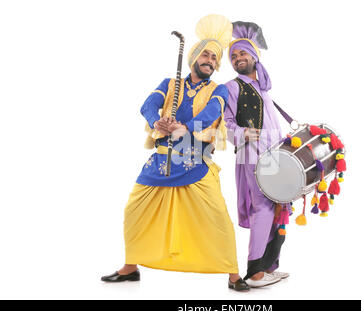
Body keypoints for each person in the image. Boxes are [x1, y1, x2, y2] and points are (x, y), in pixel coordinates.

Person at [101, 14, 249, 292]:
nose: (210, 60)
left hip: (195, 163)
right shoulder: (170, 83)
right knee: (134, 211)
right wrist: (156, 121)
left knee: (217, 218)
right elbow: (149, 104)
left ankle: (232, 273)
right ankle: (131, 266)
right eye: (206, 54)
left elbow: (212, 113)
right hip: (160, 162)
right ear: (194, 56)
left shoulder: (218, 90)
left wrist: (184, 128)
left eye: (215, 59)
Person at [224, 21, 291, 288]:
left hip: (273, 153)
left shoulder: (263, 91)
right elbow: (226, 122)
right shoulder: (232, 86)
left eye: (242, 54)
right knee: (262, 205)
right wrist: (241, 134)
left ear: (254, 57)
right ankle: (255, 272)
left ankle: (266, 266)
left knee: (278, 205)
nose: (238, 59)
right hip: (251, 153)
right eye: (233, 56)